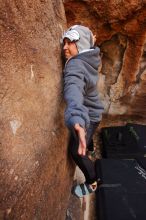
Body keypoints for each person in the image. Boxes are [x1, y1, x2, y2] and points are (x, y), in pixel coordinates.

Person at [62, 25, 104, 198]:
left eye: (70, 42)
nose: (64, 47)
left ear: (81, 46)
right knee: (87, 139)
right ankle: (91, 147)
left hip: (88, 117)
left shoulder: (76, 67)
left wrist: (77, 120)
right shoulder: (91, 57)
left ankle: (93, 182)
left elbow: (74, 88)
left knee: (75, 151)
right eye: (64, 42)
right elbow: (88, 46)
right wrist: (91, 41)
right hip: (95, 111)